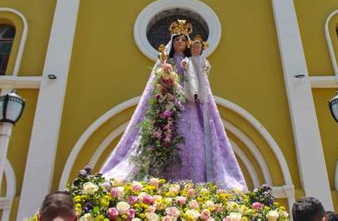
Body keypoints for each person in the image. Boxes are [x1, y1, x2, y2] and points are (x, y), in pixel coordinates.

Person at [101, 20, 247, 190]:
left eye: (183, 40)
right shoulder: (167, 63)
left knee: (193, 146)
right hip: (169, 109)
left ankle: (196, 188)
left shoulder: (192, 62)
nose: (180, 43)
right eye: (177, 40)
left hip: (190, 108)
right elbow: (155, 86)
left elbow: (201, 83)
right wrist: (167, 83)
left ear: (188, 44)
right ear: (173, 43)